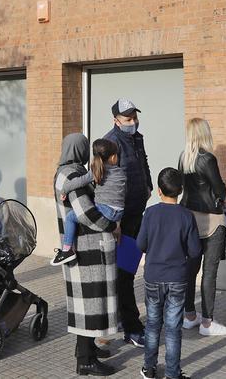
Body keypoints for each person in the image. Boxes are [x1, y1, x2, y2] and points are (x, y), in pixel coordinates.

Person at [55, 133, 118, 377]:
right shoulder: (72, 174)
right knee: (88, 304)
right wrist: (112, 226)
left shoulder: (66, 171)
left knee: (88, 303)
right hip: (86, 249)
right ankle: (85, 360)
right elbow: (86, 213)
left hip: (82, 246)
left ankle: (88, 349)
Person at [137, 168, 199, 379]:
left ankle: (149, 368)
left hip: (153, 276)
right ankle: (173, 373)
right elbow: (194, 250)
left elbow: (140, 244)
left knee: (153, 324)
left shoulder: (150, 213)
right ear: (180, 191)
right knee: (173, 328)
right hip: (178, 278)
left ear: (159, 191)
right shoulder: (186, 216)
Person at [102, 98, 151, 347]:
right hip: (121, 220)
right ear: (116, 120)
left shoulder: (136, 138)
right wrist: (115, 220)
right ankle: (132, 326)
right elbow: (105, 183)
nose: (133, 122)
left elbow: (143, 165)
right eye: (128, 119)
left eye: (134, 117)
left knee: (126, 271)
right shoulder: (111, 142)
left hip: (135, 214)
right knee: (124, 274)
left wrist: (148, 187)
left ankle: (122, 318)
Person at [178, 118, 226, 337]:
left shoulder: (184, 157)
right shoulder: (207, 158)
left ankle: (189, 315)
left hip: (189, 217)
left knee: (190, 269)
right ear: (204, 133)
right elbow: (220, 190)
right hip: (211, 219)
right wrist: (224, 197)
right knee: (209, 273)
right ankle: (207, 323)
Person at [53, 138, 125, 266]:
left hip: (106, 211)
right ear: (113, 158)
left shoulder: (98, 170)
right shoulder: (121, 172)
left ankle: (67, 249)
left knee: (70, 217)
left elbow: (79, 182)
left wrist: (64, 190)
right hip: (119, 213)